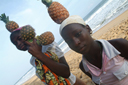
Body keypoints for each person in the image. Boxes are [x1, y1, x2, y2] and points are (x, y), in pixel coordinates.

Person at [59, 15, 128, 85]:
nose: (76, 43)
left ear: (88, 29)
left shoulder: (118, 46)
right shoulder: (84, 67)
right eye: (69, 41)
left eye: (78, 34)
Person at [10, 26, 86, 85]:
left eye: (19, 39)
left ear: (27, 35)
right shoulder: (33, 60)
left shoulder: (48, 45)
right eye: (15, 43)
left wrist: (39, 55)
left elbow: (66, 72)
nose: (18, 44)